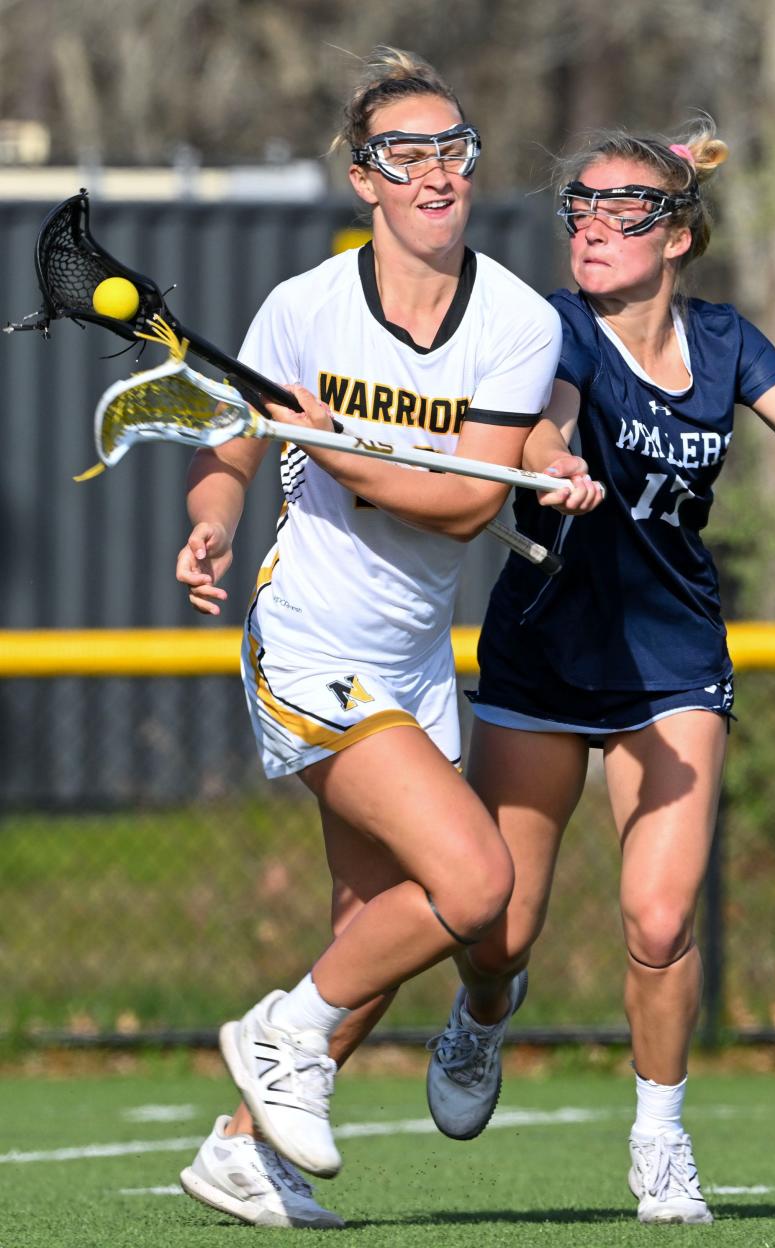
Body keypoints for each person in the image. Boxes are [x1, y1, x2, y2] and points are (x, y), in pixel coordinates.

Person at [425, 123, 775, 1225]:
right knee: (495, 929)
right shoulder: (550, 330)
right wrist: (551, 464)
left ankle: (659, 1138)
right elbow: (543, 428)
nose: (592, 227)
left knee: (656, 919)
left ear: (680, 236)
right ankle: (483, 1016)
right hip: (544, 652)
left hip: (673, 662)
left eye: (624, 211)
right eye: (580, 209)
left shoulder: (729, 342)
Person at [173, 46, 591, 1230]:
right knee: (475, 885)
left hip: (411, 661)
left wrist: (339, 444)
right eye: (405, 153)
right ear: (365, 179)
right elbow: (235, 445)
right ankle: (281, 1034)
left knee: (376, 928)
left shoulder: (511, 317)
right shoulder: (304, 307)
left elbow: (468, 502)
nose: (435, 171)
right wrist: (210, 523)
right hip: (307, 639)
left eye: (451, 147)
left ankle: (244, 1150)